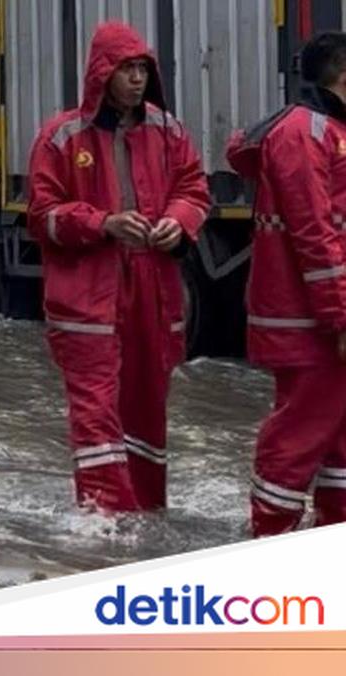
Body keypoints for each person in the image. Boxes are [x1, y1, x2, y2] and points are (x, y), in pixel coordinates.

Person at [27, 22, 210, 513]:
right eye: (126, 69)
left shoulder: (168, 131)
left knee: (148, 406)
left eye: (142, 69)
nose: (136, 79)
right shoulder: (62, 136)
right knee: (95, 408)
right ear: (102, 72)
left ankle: (147, 513)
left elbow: (194, 188)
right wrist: (103, 224)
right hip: (87, 292)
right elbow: (42, 217)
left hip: (152, 284)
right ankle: (105, 522)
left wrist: (178, 222)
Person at [226, 32, 346, 537]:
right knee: (298, 435)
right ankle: (268, 547)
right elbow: (314, 232)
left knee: (337, 442)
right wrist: (339, 316)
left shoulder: (329, 129)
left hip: (321, 317)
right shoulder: (305, 132)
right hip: (311, 322)